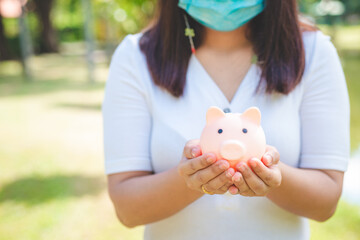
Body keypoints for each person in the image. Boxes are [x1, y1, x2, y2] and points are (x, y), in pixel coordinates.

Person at [102, 0, 350, 239]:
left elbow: (326, 202)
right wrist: (190, 178)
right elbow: (127, 209)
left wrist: (271, 175)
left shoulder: (314, 53)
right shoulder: (135, 57)